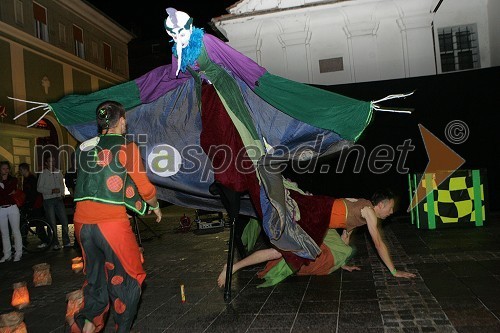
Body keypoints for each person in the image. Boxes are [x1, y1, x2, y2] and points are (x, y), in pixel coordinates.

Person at [69, 100, 162, 333]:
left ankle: (87, 329)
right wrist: (155, 205)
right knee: (130, 280)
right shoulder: (127, 148)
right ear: (120, 121)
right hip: (111, 227)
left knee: (96, 285)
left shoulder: (83, 148)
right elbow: (145, 189)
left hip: (82, 226)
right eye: (125, 121)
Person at [217, 189, 415, 287]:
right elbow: (378, 243)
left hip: (318, 221)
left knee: (283, 250)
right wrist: (394, 271)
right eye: (389, 209)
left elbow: (343, 240)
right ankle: (232, 267)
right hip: (312, 215)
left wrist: (340, 264)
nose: (390, 213)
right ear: (381, 204)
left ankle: (233, 267)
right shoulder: (368, 211)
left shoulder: (361, 208)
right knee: (279, 251)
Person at [37, 155, 71, 250]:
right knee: (52, 222)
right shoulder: (43, 173)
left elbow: (62, 184)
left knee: (64, 221)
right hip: (48, 200)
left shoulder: (58, 172)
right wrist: (51, 191)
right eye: (50, 161)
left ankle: (66, 241)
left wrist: (62, 194)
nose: (53, 163)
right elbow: (39, 188)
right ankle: (55, 242)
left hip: (59, 199)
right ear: (46, 163)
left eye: (54, 161)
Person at [19, 162, 48, 247]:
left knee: (38, 223)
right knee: (29, 222)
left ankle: (45, 240)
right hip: (32, 204)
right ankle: (24, 241)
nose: (20, 172)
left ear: (24, 169)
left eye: (20, 170)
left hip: (35, 205)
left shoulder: (31, 179)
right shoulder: (27, 179)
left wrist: (29, 205)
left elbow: (33, 194)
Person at [0, 161, 23, 262]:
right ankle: (7, 254)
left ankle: (18, 253)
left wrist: (5, 184)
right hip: (1, 209)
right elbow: (6, 193)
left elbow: (9, 190)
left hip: (12, 207)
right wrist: (7, 191)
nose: (6, 170)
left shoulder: (13, 179)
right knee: (4, 233)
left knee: (16, 231)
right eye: (3, 168)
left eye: (7, 168)